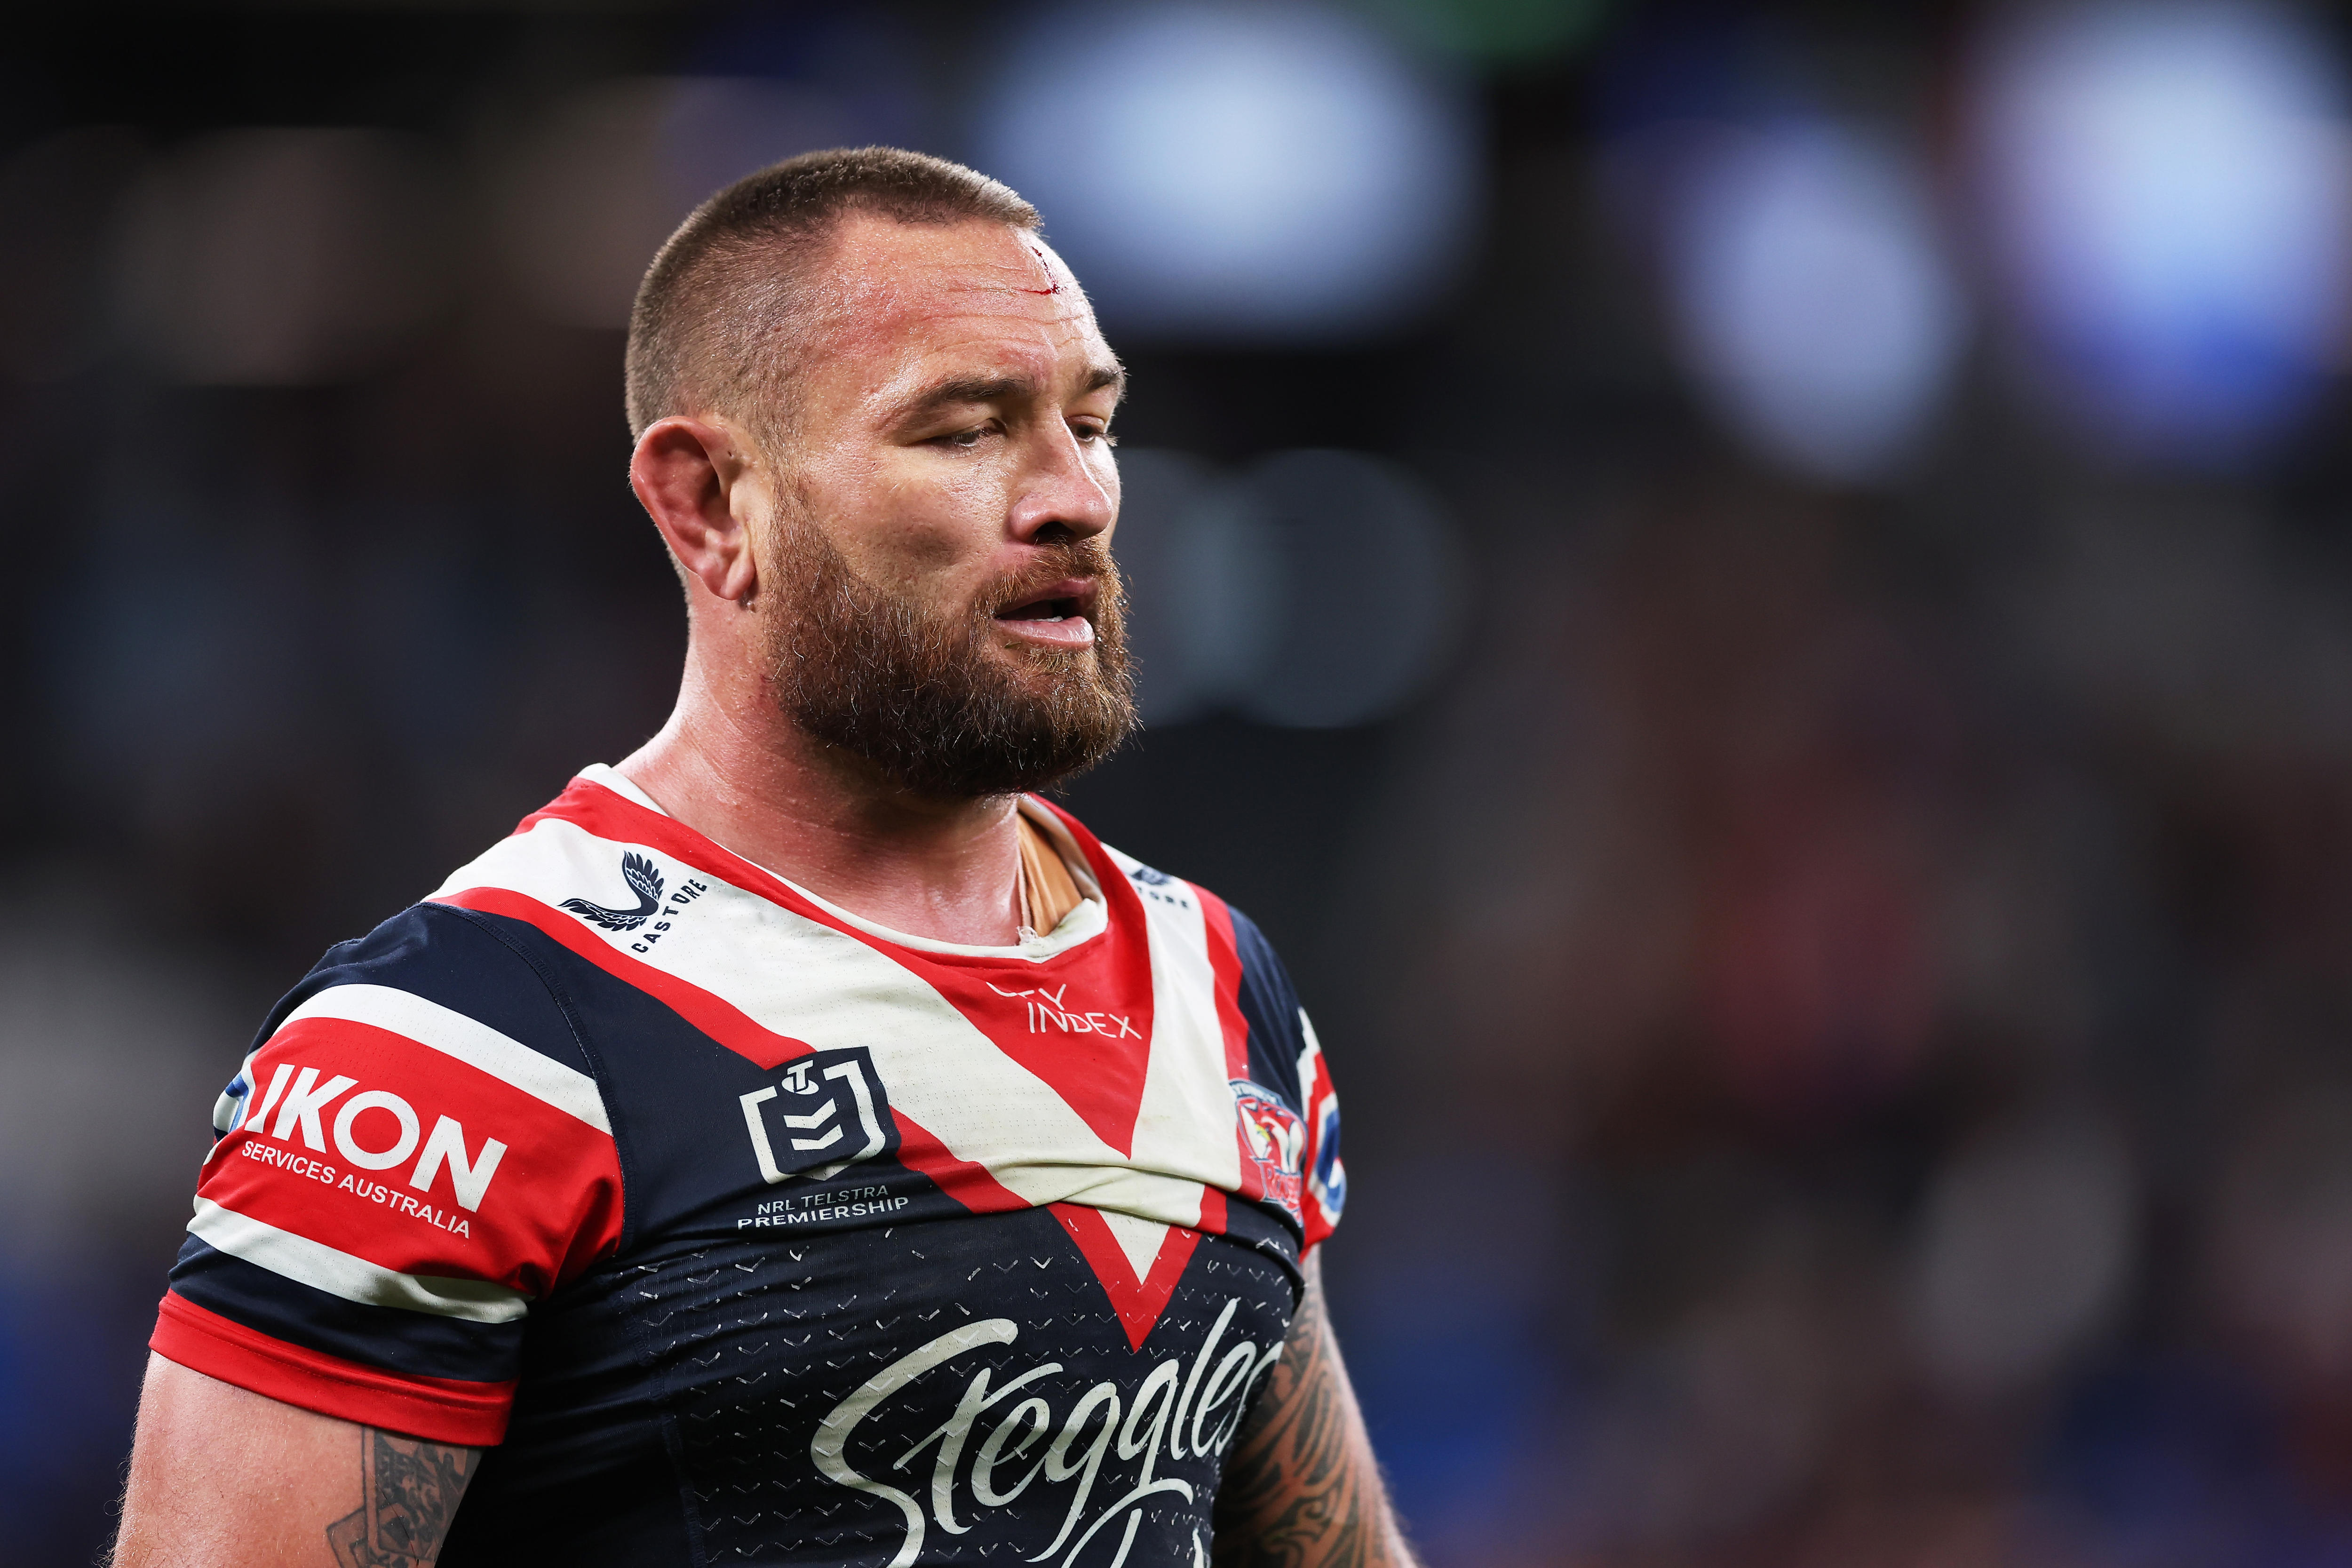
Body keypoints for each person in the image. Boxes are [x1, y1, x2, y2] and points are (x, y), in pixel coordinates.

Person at [109, 147, 1414, 1568]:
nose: (1076, 497)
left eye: (1089, 423)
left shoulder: (1217, 985)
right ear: (712, 504)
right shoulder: (450, 1052)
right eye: (966, 431)